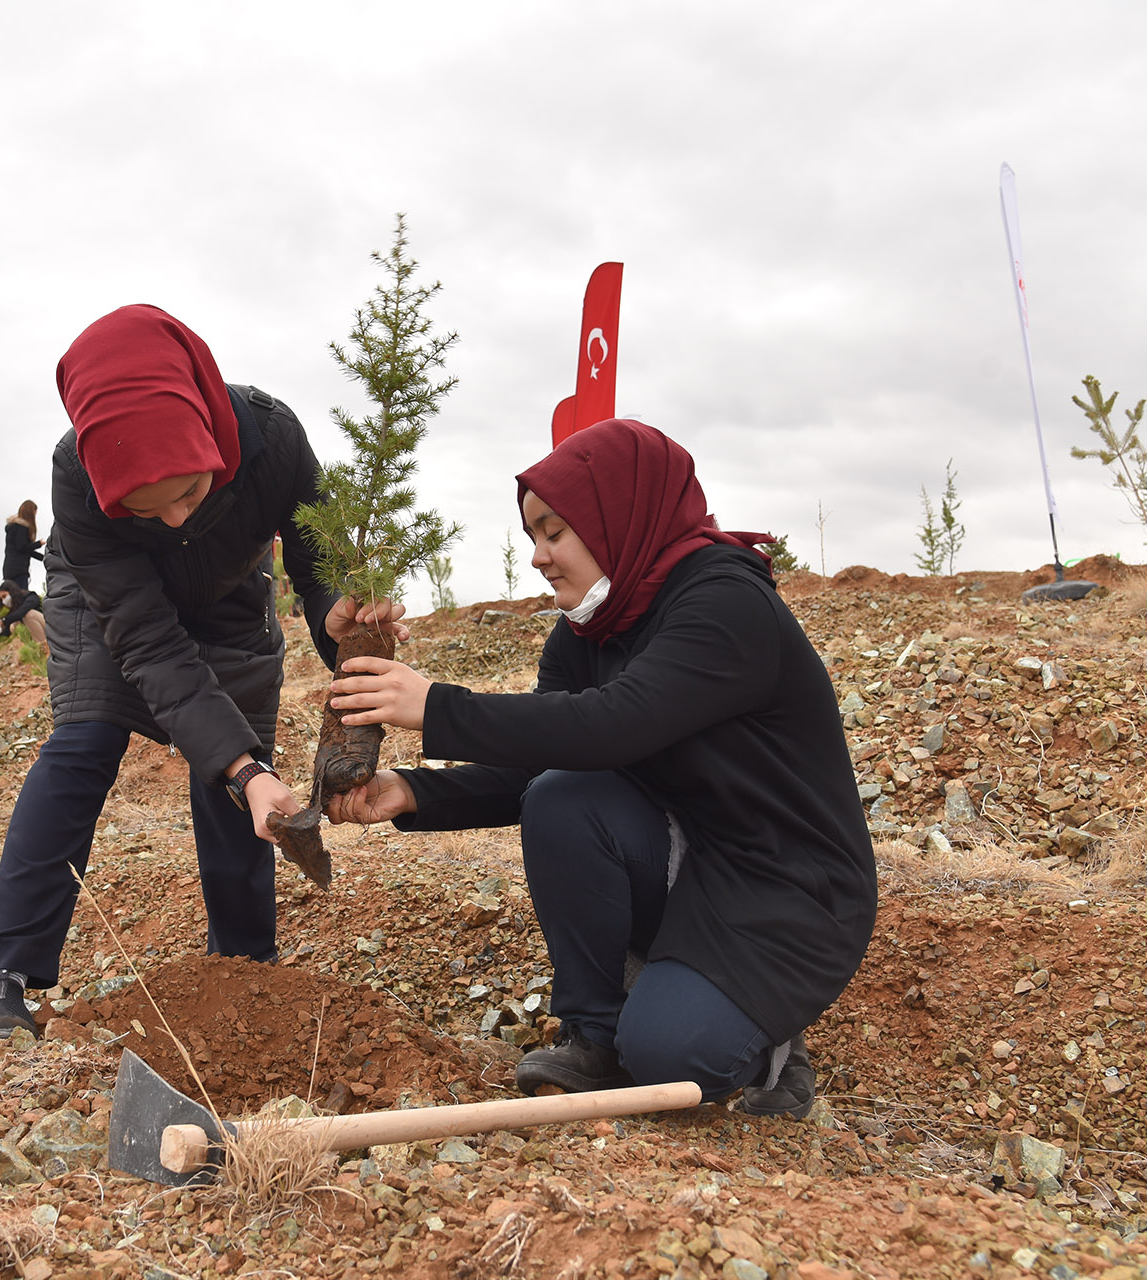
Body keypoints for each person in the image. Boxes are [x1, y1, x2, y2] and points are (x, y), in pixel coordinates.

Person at [324, 419, 876, 1118]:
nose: (538, 556)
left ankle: (770, 1043)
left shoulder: (724, 604)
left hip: (786, 888)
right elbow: (542, 761)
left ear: (617, 513)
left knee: (673, 1062)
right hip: (690, 856)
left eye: (555, 531)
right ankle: (597, 1034)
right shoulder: (591, 628)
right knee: (562, 797)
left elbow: (617, 723)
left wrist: (438, 707)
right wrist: (409, 791)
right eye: (531, 536)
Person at [0, 304, 403, 1038]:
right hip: (112, 607)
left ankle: (246, 968)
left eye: (190, 494)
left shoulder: (274, 440)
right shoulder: (77, 480)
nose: (171, 520)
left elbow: (320, 559)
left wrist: (332, 614)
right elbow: (150, 647)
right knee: (86, 743)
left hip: (231, 591)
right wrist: (245, 769)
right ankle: (2, 974)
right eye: (144, 507)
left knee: (236, 779)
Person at [2, 500, 43, 591]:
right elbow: (22, 547)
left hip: (10, 569)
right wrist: (38, 544)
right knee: (21, 598)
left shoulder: (14, 527)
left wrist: (44, 558)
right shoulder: (21, 527)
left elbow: (27, 550)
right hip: (18, 570)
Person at [0, 579, 45, 647]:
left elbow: (22, 611)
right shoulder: (13, 610)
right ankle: (33, 649)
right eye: (1, 599)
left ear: (11, 592)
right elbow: (6, 632)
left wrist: (4, 621)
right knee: (13, 625)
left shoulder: (30, 597)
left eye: (4, 596)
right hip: (33, 636)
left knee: (28, 614)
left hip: (49, 628)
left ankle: (43, 646)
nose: (3, 601)